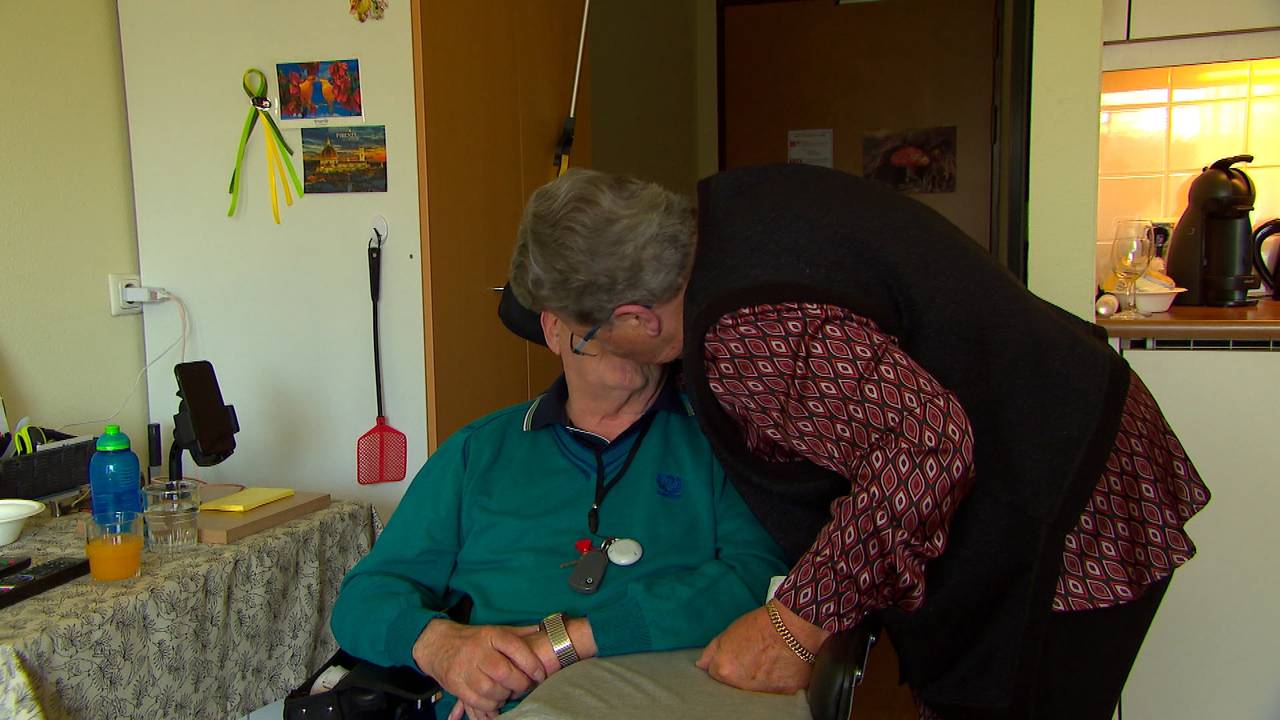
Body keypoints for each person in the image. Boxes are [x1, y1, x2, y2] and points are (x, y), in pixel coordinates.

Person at [503, 164, 1210, 719]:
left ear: (638, 317)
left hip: (1069, 501)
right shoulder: (731, 207)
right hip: (1076, 430)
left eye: (588, 335)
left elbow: (924, 449)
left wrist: (792, 626)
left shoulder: (747, 336)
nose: (592, 351)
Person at [330, 305, 788, 720]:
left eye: (643, 307)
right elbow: (362, 600)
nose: (626, 328)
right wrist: (438, 644)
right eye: (599, 308)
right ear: (552, 329)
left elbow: (758, 579)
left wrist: (573, 639)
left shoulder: (719, 444)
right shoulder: (479, 451)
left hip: (672, 697)